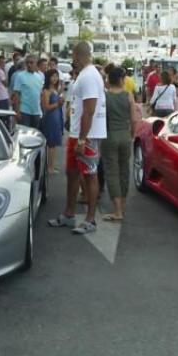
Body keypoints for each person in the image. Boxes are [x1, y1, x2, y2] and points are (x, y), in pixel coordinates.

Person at [48, 41, 107, 235]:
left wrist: (82, 139)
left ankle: (90, 220)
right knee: (72, 173)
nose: (72, 61)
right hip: (77, 134)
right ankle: (69, 214)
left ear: (78, 55)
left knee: (90, 176)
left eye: (73, 57)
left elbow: (89, 111)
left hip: (87, 136)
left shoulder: (90, 76)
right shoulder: (84, 75)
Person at [102, 67, 137, 222]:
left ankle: (117, 211)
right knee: (124, 170)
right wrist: (131, 134)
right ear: (121, 79)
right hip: (125, 134)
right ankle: (122, 206)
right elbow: (134, 119)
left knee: (112, 172)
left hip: (109, 135)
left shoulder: (105, 96)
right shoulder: (128, 95)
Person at [40, 69, 65, 173]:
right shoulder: (46, 91)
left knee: (53, 144)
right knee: (51, 144)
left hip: (57, 117)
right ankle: (49, 167)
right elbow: (45, 107)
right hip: (51, 119)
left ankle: (51, 166)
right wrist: (58, 104)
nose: (55, 78)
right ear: (48, 78)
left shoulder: (54, 90)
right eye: (52, 76)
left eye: (56, 76)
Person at [13, 55, 44, 128]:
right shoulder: (20, 76)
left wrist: (41, 111)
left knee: (34, 135)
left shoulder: (39, 77)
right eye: (27, 63)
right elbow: (16, 94)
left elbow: (40, 94)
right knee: (24, 135)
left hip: (36, 112)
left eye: (31, 62)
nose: (29, 65)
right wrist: (17, 111)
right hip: (24, 111)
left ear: (36, 63)